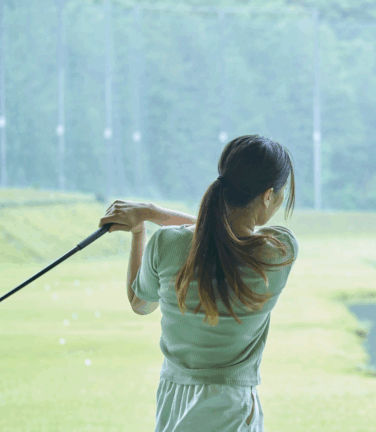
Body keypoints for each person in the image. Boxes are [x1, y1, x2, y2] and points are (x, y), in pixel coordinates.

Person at [98, 135, 298, 432]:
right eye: (281, 193)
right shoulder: (278, 251)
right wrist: (153, 214)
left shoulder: (166, 243)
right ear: (268, 195)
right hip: (232, 409)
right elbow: (222, 236)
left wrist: (142, 227)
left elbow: (141, 304)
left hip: (173, 403)